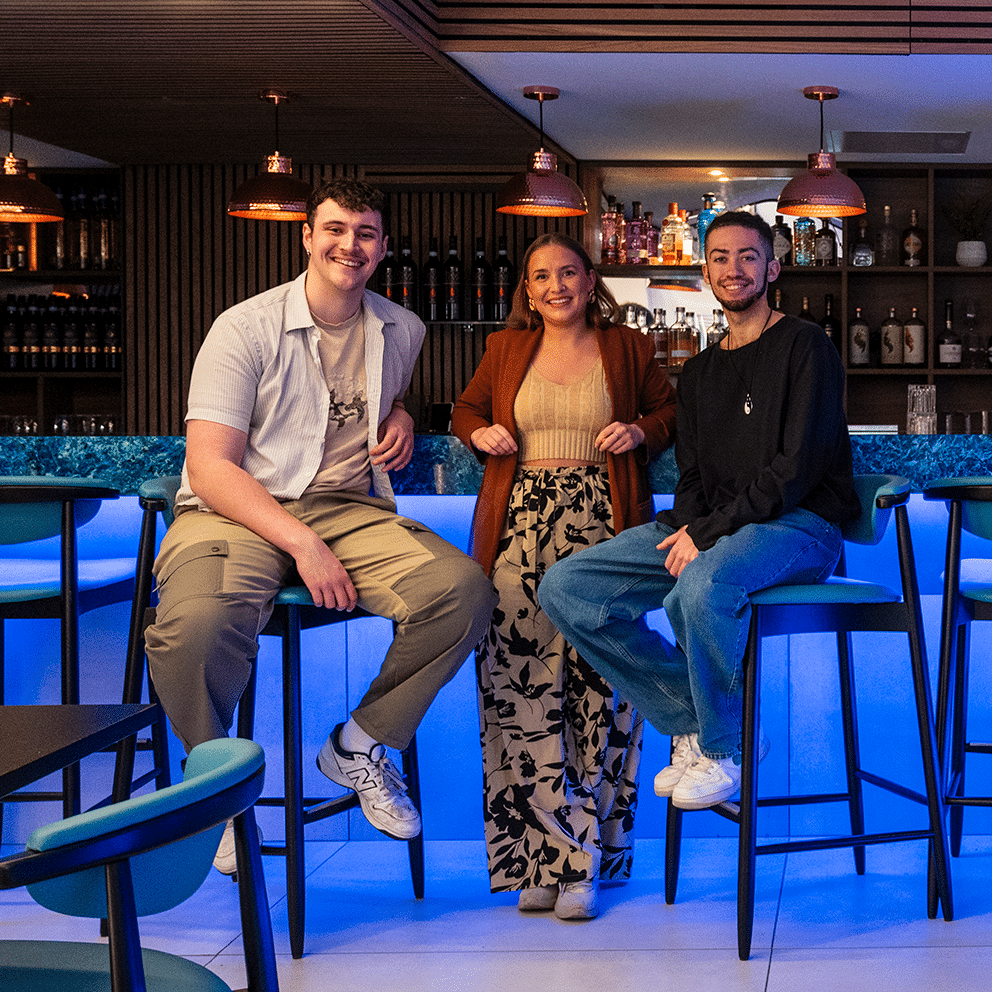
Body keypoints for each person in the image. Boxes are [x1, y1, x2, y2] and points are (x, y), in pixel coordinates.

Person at [145, 177, 496, 872]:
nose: (350, 244)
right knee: (195, 628)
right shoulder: (242, 328)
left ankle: (361, 743)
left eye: (366, 233)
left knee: (463, 593)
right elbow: (211, 467)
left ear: (384, 247)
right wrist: (301, 543)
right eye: (335, 229)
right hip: (237, 509)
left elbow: (390, 392)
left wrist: (401, 414)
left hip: (348, 511)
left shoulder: (404, 328)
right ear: (306, 235)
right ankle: (216, 788)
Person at [539, 211, 861, 813]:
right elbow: (693, 478)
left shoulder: (807, 347)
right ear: (704, 270)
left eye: (746, 256)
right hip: (719, 529)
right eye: (719, 257)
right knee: (568, 586)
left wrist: (706, 534)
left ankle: (722, 749)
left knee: (700, 587)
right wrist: (693, 526)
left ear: (773, 267)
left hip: (802, 528)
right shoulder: (701, 373)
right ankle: (697, 720)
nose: (732, 268)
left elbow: (797, 469)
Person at [451, 233, 676, 919]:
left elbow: (671, 414)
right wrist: (477, 433)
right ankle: (539, 861)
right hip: (519, 530)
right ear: (527, 289)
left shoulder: (630, 347)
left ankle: (583, 864)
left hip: (606, 530)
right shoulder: (503, 349)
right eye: (541, 276)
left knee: (599, 688)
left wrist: (640, 432)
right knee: (516, 695)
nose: (556, 286)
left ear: (590, 280)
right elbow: (465, 411)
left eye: (569, 273)